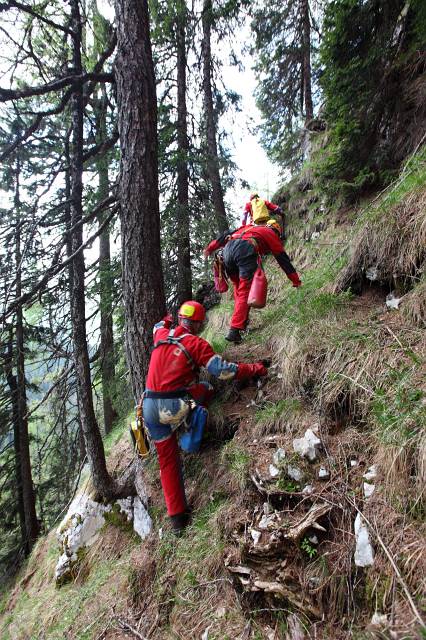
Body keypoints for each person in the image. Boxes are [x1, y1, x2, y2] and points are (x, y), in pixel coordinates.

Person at [142, 301, 268, 535]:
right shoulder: (196, 343)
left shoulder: (160, 333)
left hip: (148, 407)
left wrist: (169, 319)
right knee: (206, 389)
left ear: (181, 319)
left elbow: (157, 324)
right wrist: (255, 368)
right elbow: (224, 371)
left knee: (167, 462)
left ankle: (178, 520)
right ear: (199, 324)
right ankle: (190, 432)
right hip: (175, 405)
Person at [204, 220, 302, 344]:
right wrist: (296, 281)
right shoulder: (270, 233)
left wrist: (209, 248)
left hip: (227, 253)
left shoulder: (248, 227)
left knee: (239, 289)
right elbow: (283, 260)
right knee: (246, 290)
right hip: (244, 250)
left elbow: (224, 236)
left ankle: (241, 323)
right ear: (275, 230)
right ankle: (235, 329)